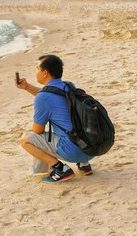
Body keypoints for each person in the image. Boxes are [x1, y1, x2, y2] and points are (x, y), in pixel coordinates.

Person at [16, 54, 93, 183]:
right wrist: (27, 87)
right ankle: (84, 165)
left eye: (37, 69)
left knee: (27, 139)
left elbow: (38, 131)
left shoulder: (43, 97)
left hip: (73, 151)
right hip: (90, 147)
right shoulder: (69, 86)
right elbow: (50, 95)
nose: (35, 72)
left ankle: (60, 169)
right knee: (72, 123)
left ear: (45, 73)